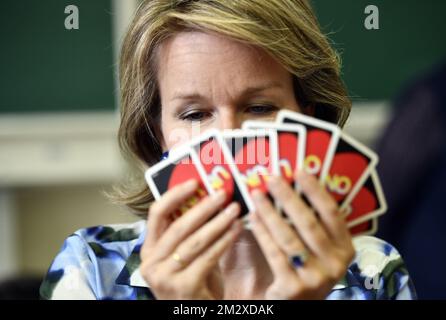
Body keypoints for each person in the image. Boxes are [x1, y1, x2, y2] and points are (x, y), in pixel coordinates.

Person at [40, 0, 416, 300]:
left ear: (307, 122)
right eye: (195, 113)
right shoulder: (89, 268)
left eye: (259, 107)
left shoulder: (374, 274)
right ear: (158, 133)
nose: (228, 139)